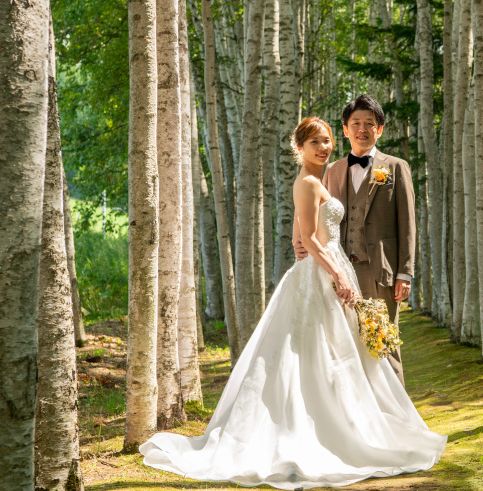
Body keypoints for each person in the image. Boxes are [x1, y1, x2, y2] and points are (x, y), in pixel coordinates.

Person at [139, 117, 446, 489]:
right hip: (320, 274)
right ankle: (311, 433)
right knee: (307, 355)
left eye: (328, 140)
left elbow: (313, 233)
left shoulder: (325, 177)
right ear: (298, 147)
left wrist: (331, 263)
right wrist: (335, 273)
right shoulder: (307, 182)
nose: (324, 147)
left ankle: (348, 424)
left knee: (340, 354)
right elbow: (310, 240)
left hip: (333, 267)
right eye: (315, 142)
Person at [295, 95, 414, 385]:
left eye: (369, 124)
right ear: (345, 130)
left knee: (385, 344)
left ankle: (396, 420)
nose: (363, 129)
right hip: (339, 272)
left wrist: (404, 272)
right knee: (347, 347)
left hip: (381, 272)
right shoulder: (332, 169)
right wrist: (298, 239)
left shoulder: (396, 167)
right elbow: (311, 210)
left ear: (380, 129)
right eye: (355, 123)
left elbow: (407, 223)